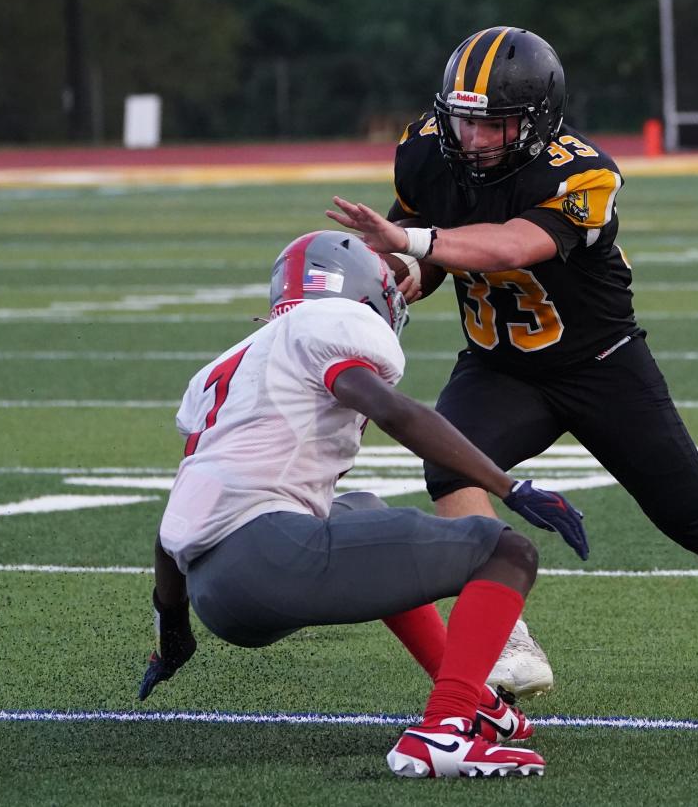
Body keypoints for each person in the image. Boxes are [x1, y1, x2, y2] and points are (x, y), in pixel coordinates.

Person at [326, 25, 698, 694]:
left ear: (539, 120)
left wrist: (411, 240)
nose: (475, 139)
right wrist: (410, 271)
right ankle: (508, 640)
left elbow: (507, 248)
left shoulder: (584, 174)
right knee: (447, 465)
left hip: (601, 364)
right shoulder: (428, 151)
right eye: (463, 121)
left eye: (496, 125)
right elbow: (426, 247)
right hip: (501, 366)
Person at [136, 229, 591, 780]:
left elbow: (177, 514)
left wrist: (173, 631)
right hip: (274, 560)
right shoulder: (330, 324)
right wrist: (508, 486)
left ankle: (477, 704)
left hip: (215, 591)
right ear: (366, 295)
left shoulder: (230, 365)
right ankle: (444, 730)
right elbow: (394, 411)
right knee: (506, 550)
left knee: (364, 512)